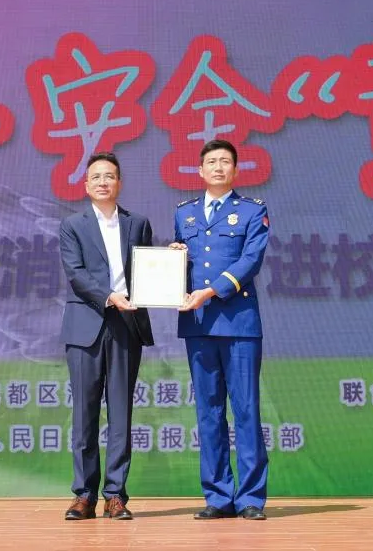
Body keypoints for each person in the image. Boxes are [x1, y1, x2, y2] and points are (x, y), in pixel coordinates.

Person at [169, 138, 270, 520]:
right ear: (200, 170)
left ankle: (250, 499)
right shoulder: (184, 213)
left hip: (239, 324)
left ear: (235, 170)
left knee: (246, 410)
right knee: (208, 413)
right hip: (198, 325)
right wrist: (174, 259)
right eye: (211, 161)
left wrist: (210, 291)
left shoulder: (252, 211)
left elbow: (251, 260)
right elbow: (183, 265)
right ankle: (218, 496)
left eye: (225, 161)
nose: (217, 167)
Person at [58, 151, 154, 520]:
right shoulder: (72, 225)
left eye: (109, 176)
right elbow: (76, 274)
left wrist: (177, 258)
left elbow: (149, 270)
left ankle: (116, 495)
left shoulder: (137, 223)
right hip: (85, 327)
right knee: (84, 414)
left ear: (119, 183)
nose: (103, 182)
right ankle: (84, 495)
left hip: (125, 326)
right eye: (96, 176)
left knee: (121, 414)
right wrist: (109, 296)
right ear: (86, 185)